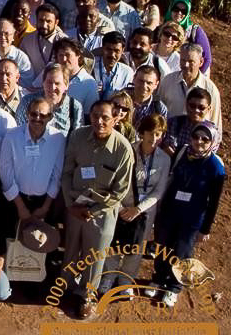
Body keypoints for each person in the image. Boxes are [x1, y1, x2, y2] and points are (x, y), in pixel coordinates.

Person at [61, 100, 134, 319]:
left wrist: (94, 210)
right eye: (94, 116)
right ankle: (65, 287)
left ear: (116, 118)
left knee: (94, 257)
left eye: (105, 117)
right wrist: (70, 205)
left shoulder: (123, 149)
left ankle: (86, 296)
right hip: (75, 205)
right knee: (71, 249)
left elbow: (120, 192)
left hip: (103, 211)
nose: (99, 121)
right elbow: (66, 173)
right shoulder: (77, 137)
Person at [149, 121, 225, 307]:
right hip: (170, 211)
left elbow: (214, 202)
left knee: (182, 253)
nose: (199, 141)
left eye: (205, 139)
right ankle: (158, 278)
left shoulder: (216, 167)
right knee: (162, 247)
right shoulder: (182, 153)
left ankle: (173, 287)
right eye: (195, 136)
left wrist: (205, 229)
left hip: (191, 219)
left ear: (212, 141)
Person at [98, 113, 169, 297]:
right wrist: (121, 208)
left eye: (159, 134)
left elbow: (158, 191)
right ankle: (108, 277)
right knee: (115, 243)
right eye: (151, 133)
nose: (154, 139)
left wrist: (138, 209)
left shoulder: (164, 159)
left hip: (144, 212)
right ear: (143, 132)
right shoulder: (127, 151)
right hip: (121, 206)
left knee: (137, 247)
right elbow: (114, 181)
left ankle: (126, 280)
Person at [0, 95, 65, 227]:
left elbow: (57, 175)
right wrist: (21, 207)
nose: (37, 118)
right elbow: (6, 173)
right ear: (27, 114)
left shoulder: (58, 138)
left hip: (43, 202)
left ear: (50, 117)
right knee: (13, 245)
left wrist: (45, 207)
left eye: (43, 115)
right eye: (33, 114)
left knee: (39, 244)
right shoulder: (12, 136)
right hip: (15, 200)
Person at [165, 0, 213, 74]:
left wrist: (194, 77)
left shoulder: (195, 32)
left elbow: (206, 59)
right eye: (176, 9)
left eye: (183, 11)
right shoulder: (162, 28)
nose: (179, 13)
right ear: (171, 9)